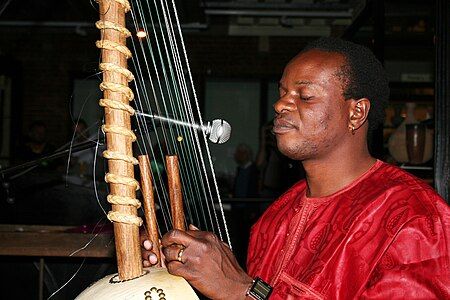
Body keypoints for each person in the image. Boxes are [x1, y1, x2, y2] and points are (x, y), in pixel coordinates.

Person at [142, 37, 450, 299]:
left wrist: (240, 289)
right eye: (282, 93)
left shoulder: (416, 219)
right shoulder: (273, 219)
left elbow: (246, 292)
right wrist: (184, 273)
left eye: (304, 96)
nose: (280, 106)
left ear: (356, 112)